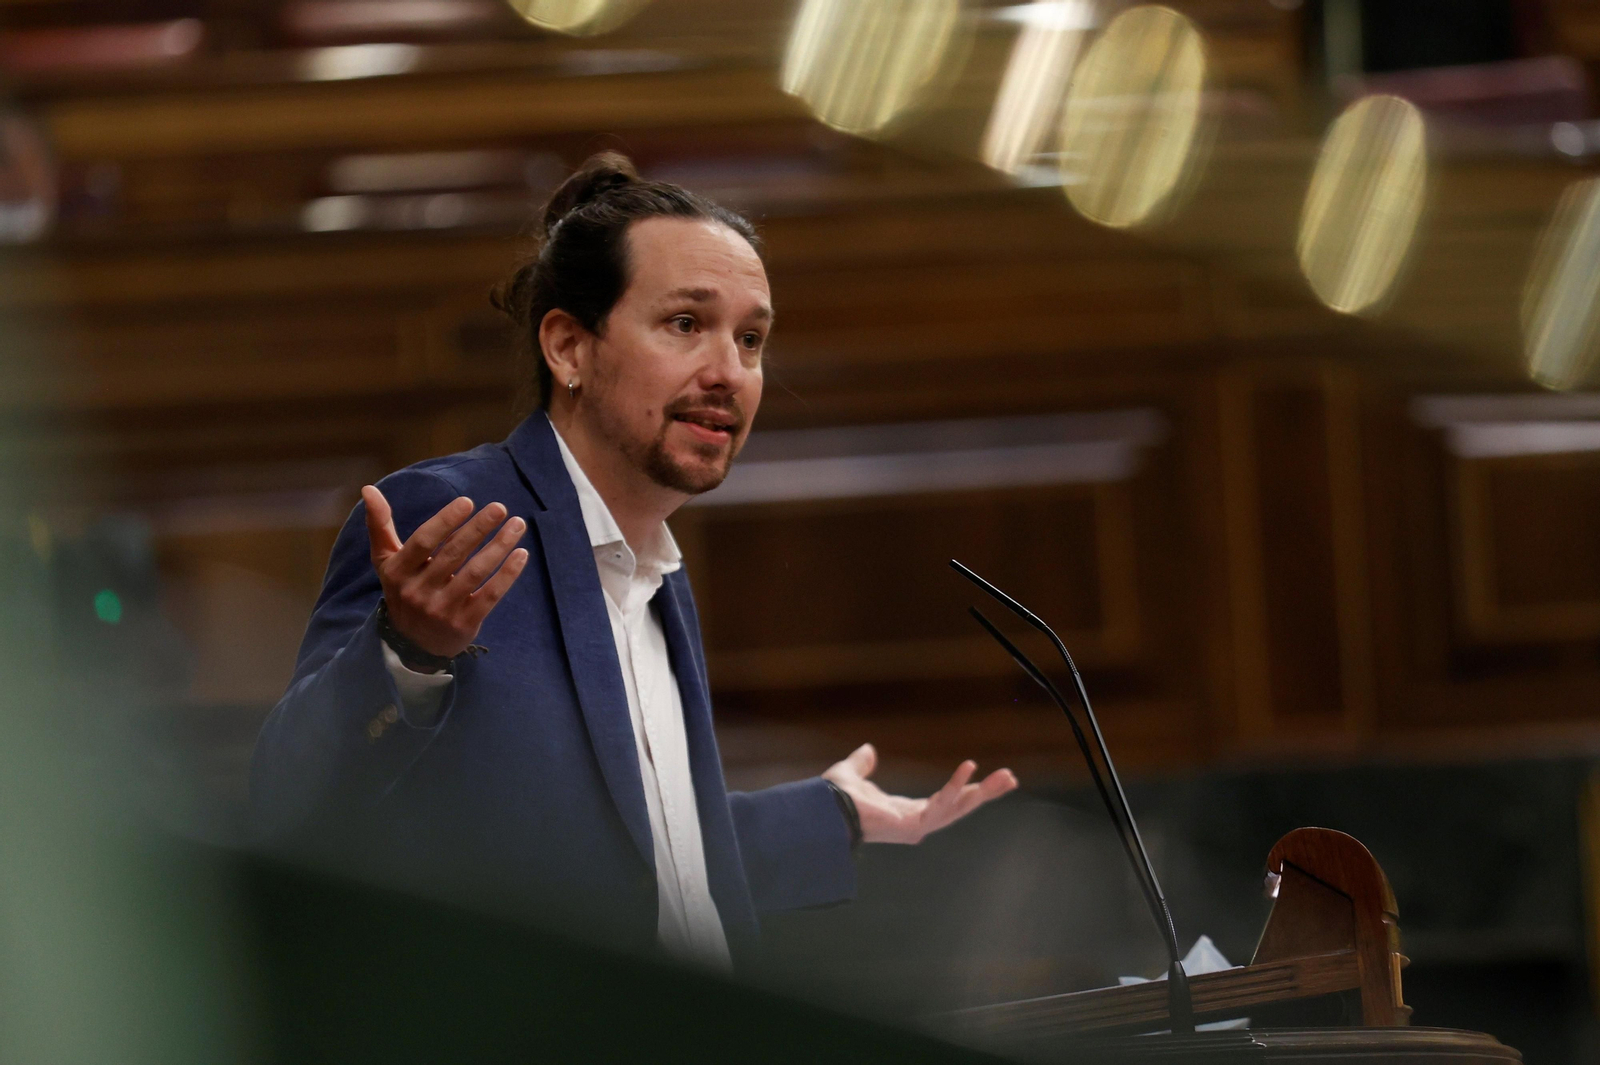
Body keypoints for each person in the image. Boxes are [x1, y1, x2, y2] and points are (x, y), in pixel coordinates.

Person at [250, 153, 1018, 971]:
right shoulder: (456, 521)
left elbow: (624, 848)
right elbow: (287, 808)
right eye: (687, 324)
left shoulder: (654, 572)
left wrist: (829, 814)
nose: (729, 371)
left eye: (750, 338)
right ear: (568, 348)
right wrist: (402, 654)